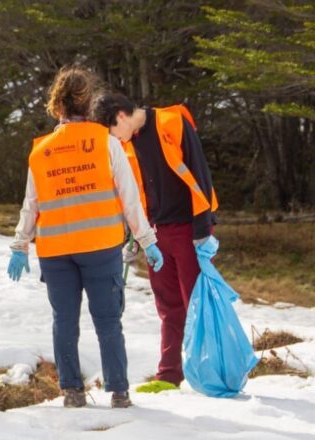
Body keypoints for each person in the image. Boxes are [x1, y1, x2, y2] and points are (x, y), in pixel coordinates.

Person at [7, 65, 164, 409]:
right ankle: (120, 393)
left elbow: (30, 205)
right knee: (108, 321)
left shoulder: (41, 151)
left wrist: (20, 245)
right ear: (89, 103)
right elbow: (130, 197)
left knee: (64, 321)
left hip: (56, 251)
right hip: (100, 248)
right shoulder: (106, 144)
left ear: (57, 105)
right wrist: (147, 239)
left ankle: (72, 392)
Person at [92, 93, 218, 394]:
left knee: (197, 304)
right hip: (156, 234)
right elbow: (132, 192)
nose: (114, 138)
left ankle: (211, 373)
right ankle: (169, 375)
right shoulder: (126, 143)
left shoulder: (171, 122)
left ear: (120, 116)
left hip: (189, 228)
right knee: (168, 306)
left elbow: (199, 171)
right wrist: (136, 236)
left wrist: (203, 228)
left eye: (112, 130)